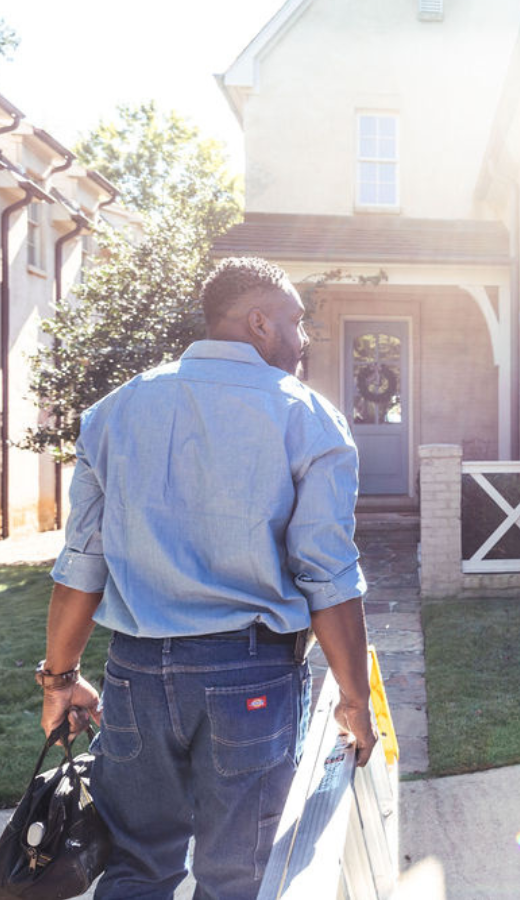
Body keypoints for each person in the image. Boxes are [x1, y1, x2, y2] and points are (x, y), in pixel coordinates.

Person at [36, 256, 379, 899]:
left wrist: (59, 680)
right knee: (236, 877)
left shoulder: (113, 412)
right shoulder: (308, 417)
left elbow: (81, 565)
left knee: (135, 867)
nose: (304, 340)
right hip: (248, 679)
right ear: (259, 323)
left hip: (134, 677)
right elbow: (328, 575)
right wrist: (355, 704)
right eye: (296, 322)